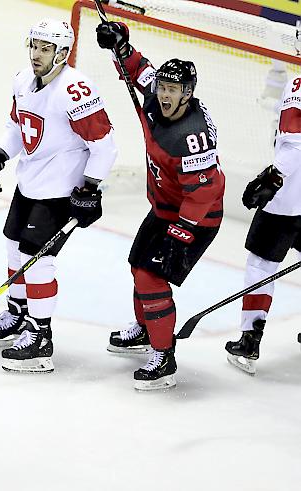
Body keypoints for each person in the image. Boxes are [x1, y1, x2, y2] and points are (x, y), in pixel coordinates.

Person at [0, 19, 118, 373]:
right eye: (34, 46)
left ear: (63, 53)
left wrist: (89, 187)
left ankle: (41, 337)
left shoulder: (75, 91)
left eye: (45, 48)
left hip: (60, 191)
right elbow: (17, 127)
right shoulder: (23, 80)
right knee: (13, 245)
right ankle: (18, 313)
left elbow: (104, 145)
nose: (36, 54)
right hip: (30, 182)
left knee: (36, 260)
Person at [97, 22, 225, 390]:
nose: (165, 95)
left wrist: (179, 236)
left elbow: (204, 192)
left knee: (151, 276)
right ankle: (146, 330)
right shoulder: (155, 94)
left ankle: (163, 355)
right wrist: (119, 43)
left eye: (173, 90)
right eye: (163, 88)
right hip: (164, 206)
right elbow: (138, 69)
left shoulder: (193, 134)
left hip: (197, 216)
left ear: (187, 94)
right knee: (138, 265)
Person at [225, 74, 301, 374]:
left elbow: (294, 144)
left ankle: (249, 340)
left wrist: (273, 177)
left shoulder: (298, 84)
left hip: (286, 201)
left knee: (261, 264)